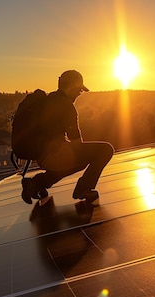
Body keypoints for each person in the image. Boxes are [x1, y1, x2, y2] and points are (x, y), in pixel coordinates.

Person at [21, 70, 114, 205]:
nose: (79, 94)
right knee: (105, 149)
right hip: (53, 156)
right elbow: (77, 143)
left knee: (76, 161)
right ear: (71, 86)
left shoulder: (50, 99)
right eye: (78, 90)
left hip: (43, 157)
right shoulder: (65, 105)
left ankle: (37, 183)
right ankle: (84, 189)